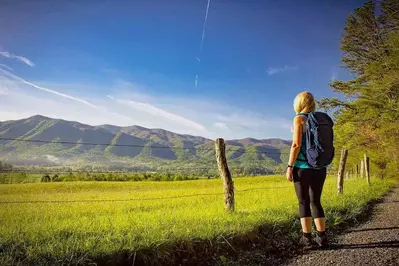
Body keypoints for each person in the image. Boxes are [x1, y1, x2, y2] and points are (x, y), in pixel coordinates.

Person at [286, 91, 328, 248]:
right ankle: (322, 238)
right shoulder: (320, 119)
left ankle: (307, 239)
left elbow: (296, 145)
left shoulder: (299, 119)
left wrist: (290, 166)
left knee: (303, 202)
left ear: (299, 103)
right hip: (320, 167)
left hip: (302, 167)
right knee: (316, 201)